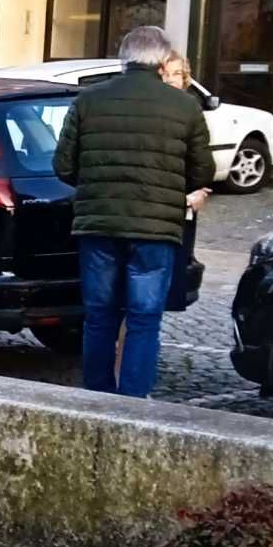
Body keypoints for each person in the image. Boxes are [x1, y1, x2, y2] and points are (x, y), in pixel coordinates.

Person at [53, 22, 213, 398]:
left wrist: (96, 187)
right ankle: (134, 401)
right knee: (144, 318)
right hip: (155, 228)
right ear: (161, 61)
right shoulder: (183, 106)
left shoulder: (89, 100)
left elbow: (63, 165)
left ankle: (96, 394)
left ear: (123, 59)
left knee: (99, 316)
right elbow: (202, 170)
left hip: (99, 223)